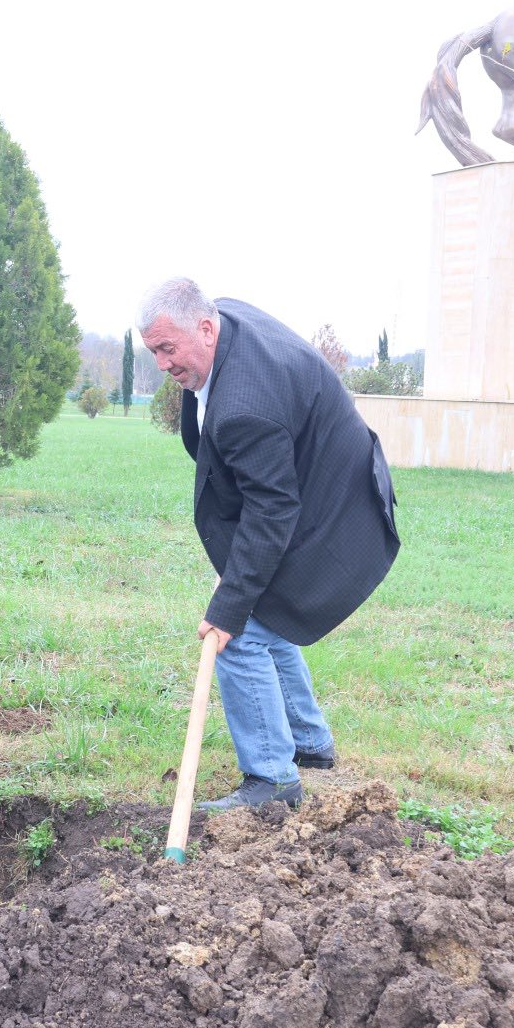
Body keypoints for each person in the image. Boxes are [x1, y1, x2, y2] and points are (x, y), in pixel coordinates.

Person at [138, 279, 400, 811]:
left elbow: (272, 510)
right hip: (317, 489)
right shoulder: (221, 321)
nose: (162, 364)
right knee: (263, 610)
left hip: (335, 517)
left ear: (206, 329)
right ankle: (310, 743)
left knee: (237, 632)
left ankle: (272, 780)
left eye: (168, 349)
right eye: (153, 351)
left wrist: (230, 602)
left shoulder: (243, 407)